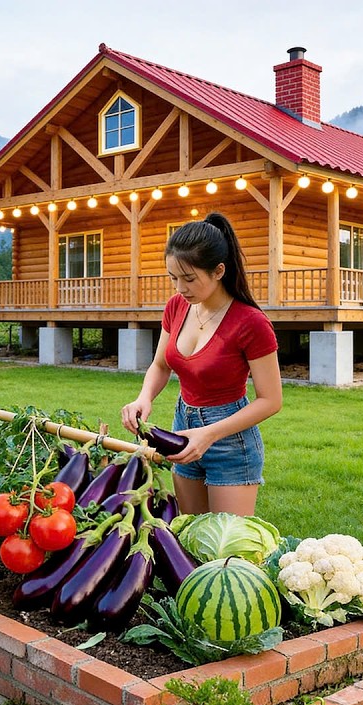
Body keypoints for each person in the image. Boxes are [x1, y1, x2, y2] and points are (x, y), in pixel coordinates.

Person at [120, 212, 282, 517]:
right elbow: (160, 366)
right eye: (173, 278)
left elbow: (271, 400)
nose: (180, 287)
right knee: (188, 535)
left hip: (229, 440)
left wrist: (209, 434)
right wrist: (144, 398)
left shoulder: (251, 323)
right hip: (182, 427)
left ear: (219, 271)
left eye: (189, 278)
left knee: (226, 551)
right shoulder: (177, 307)